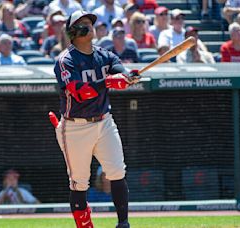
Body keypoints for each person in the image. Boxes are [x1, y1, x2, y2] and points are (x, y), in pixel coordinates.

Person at [53, 10, 141, 228]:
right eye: (83, 23)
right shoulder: (65, 61)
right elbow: (80, 92)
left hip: (104, 121)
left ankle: (123, 224)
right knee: (79, 183)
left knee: (117, 172)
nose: (89, 26)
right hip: (75, 127)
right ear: (73, 31)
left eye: (90, 22)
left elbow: (119, 69)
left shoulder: (105, 55)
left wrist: (127, 76)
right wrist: (108, 82)